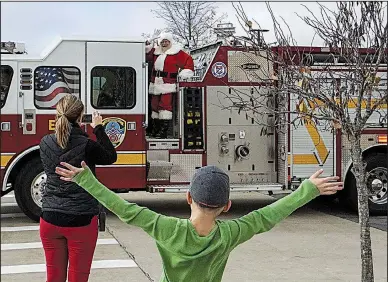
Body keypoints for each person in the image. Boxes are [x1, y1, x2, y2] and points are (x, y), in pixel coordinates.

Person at [55, 161, 343, 282]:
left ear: (188, 198)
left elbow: (124, 208)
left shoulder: (165, 228)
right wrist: (307, 190)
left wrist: (86, 179)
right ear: (227, 206)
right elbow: (266, 217)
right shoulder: (230, 234)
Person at [39, 94, 117, 282]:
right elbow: (110, 156)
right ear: (81, 117)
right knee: (78, 278)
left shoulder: (44, 142)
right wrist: (98, 127)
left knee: (53, 278)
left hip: (49, 218)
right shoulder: (87, 145)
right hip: (81, 220)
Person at [146, 33, 195, 138]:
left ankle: (163, 131)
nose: (164, 44)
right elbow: (147, 54)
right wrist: (148, 45)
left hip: (168, 84)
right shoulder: (156, 52)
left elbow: (188, 61)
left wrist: (185, 72)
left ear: (170, 42)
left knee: (165, 107)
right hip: (155, 83)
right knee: (154, 106)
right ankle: (156, 129)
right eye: (163, 41)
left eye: (166, 41)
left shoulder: (177, 53)